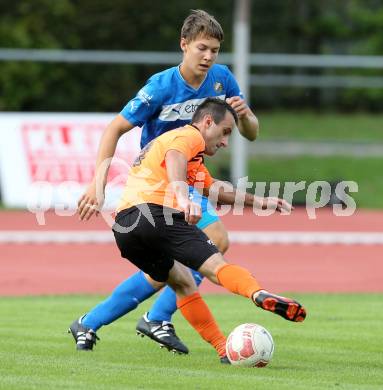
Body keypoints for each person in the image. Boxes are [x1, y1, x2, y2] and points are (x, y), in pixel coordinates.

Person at [70, 9, 260, 354]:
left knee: (182, 262)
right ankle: (143, 317)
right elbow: (115, 128)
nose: (208, 56)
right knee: (193, 254)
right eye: (202, 48)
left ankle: (103, 320)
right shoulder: (160, 86)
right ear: (183, 44)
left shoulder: (222, 79)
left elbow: (251, 134)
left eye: (214, 50)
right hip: (158, 181)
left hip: (190, 178)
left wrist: (246, 117)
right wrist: (98, 181)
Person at [69, 99, 306, 363]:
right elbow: (175, 157)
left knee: (182, 282)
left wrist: (260, 202)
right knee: (216, 266)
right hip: (157, 215)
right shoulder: (188, 136)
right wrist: (182, 198)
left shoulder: (187, 153)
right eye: (225, 131)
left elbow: (213, 188)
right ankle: (256, 292)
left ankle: (221, 348)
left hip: (126, 228)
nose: (226, 141)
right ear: (207, 122)